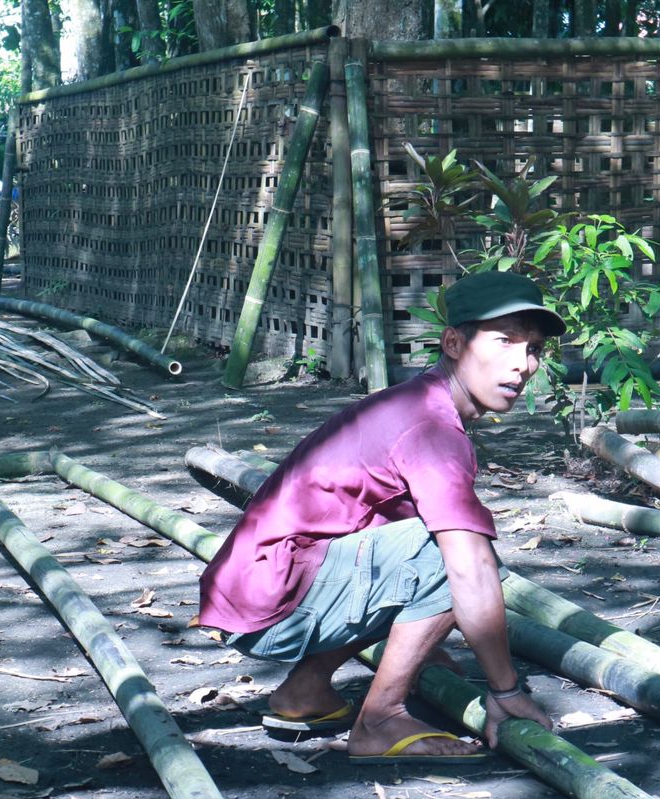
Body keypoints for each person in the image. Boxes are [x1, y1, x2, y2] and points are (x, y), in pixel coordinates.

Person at [199, 271, 559, 763]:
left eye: (534, 348)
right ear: (453, 343)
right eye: (504, 342)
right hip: (270, 609)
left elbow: (373, 528)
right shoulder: (431, 428)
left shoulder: (419, 402)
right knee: (455, 552)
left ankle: (303, 694)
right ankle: (380, 719)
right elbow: (466, 567)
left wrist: (421, 640)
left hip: (262, 588)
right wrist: (505, 689)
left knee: (441, 540)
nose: (523, 364)